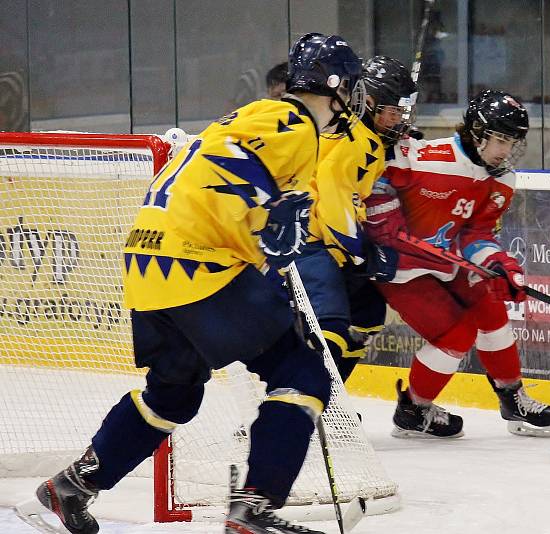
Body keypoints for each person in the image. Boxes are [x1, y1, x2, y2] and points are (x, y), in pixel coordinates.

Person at [16, 33, 364, 534]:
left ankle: (69, 489)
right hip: (194, 264)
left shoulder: (248, 117)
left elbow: (231, 200)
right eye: (348, 92)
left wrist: (270, 244)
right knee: (303, 373)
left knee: (174, 393)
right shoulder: (296, 127)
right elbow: (257, 211)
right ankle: (254, 508)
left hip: (146, 263)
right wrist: (276, 226)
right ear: (336, 88)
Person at [365, 89, 550, 439]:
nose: (505, 151)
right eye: (500, 139)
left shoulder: (502, 179)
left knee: (492, 310)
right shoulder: (424, 156)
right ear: (475, 131)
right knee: (456, 335)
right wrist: (382, 222)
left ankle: (512, 397)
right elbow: (370, 175)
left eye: (512, 142)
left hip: (446, 262)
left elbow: (477, 234)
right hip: (402, 266)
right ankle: (413, 409)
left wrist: (501, 264)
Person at [294, 55, 418, 383]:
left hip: (324, 241)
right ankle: (298, 405)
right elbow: (334, 188)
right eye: (393, 113)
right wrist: (356, 248)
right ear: (370, 102)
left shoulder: (362, 134)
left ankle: (334, 401)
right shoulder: (356, 139)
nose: (398, 121)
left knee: (369, 313)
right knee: (331, 324)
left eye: (401, 114)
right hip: (308, 243)